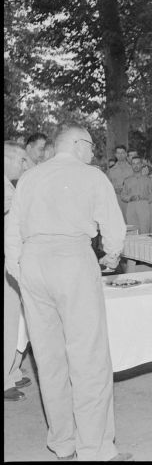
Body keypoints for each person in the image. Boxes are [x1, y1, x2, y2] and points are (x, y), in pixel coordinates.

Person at [4, 123, 130, 461]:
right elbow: (114, 228)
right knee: (89, 358)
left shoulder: (29, 177)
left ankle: (63, 442)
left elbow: (11, 232)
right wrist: (112, 256)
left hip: (33, 264)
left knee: (49, 360)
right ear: (76, 144)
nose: (93, 152)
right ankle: (95, 448)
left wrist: (20, 272)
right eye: (90, 145)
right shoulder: (92, 176)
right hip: (72, 259)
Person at [4, 142, 31, 403]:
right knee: (7, 321)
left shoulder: (10, 185)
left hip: (12, 260)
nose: (25, 165)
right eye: (21, 160)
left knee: (15, 321)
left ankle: (11, 371)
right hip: (7, 261)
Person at [121, 156, 152, 233]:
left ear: (141, 165)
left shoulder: (147, 179)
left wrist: (145, 200)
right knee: (132, 230)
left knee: (144, 229)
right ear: (131, 165)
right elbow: (123, 195)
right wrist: (130, 198)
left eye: (138, 163)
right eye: (133, 164)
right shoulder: (127, 180)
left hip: (144, 206)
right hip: (131, 206)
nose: (136, 166)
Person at [107, 145, 133, 219]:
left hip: (129, 200)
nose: (120, 155)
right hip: (116, 200)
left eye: (122, 153)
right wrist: (114, 189)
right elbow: (107, 186)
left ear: (126, 154)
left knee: (129, 221)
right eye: (118, 153)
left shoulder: (132, 169)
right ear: (115, 155)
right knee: (117, 220)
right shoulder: (111, 171)